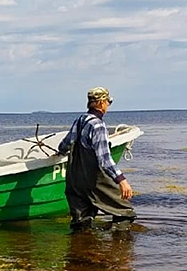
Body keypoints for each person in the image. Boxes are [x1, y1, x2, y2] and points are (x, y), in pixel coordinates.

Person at [57, 87, 135, 231]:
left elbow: (66, 144)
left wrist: (59, 152)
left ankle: (82, 244)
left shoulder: (81, 119)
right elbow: (104, 160)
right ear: (101, 103)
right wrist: (121, 180)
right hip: (93, 181)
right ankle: (118, 243)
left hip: (75, 181)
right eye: (107, 102)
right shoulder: (98, 125)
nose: (108, 106)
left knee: (81, 221)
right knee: (125, 213)